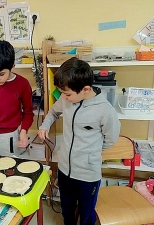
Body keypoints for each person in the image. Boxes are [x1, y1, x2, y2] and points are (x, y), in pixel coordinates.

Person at [38, 57, 120, 225]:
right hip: (64, 169)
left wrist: (91, 152)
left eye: (67, 94)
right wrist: (44, 126)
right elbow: (53, 112)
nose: (63, 97)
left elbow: (111, 139)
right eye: (61, 93)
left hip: (87, 174)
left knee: (86, 213)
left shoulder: (105, 111)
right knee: (66, 209)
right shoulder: (66, 99)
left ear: (86, 89)